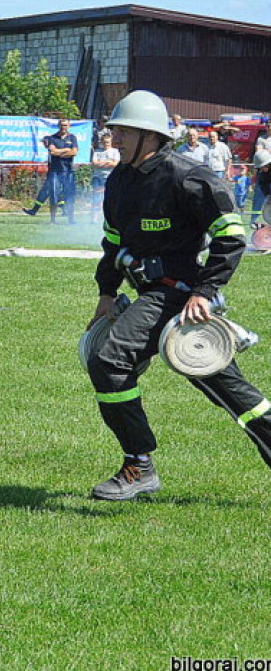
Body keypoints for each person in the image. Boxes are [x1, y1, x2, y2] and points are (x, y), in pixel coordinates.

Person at [85, 89, 271, 500]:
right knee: (223, 382)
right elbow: (113, 241)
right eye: (114, 130)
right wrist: (105, 294)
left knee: (109, 359)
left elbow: (232, 236)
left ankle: (139, 465)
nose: (114, 139)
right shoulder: (120, 179)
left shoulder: (189, 178)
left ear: (149, 136)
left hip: (179, 295)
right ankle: (139, 464)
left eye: (123, 131)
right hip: (149, 293)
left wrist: (206, 291)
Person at [24, 118, 78, 223]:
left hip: (68, 171)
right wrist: (67, 150)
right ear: (58, 126)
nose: (63, 127)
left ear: (69, 126)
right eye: (62, 125)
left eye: (65, 125)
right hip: (54, 171)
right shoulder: (52, 138)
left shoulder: (72, 138)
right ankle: (53, 220)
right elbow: (52, 152)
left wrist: (62, 151)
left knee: (69, 195)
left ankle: (71, 220)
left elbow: (74, 152)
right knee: (53, 195)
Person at [90, 132, 120, 223]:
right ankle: (94, 219)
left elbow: (115, 163)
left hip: (109, 178)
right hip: (97, 178)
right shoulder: (97, 151)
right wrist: (107, 163)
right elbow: (94, 163)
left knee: (109, 198)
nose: (106, 144)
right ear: (101, 142)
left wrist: (102, 163)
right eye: (104, 142)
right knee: (96, 198)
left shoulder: (115, 151)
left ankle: (108, 218)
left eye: (108, 142)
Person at [250, 151, 271, 226]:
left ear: (267, 164)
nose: (260, 169)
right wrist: (268, 196)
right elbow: (263, 187)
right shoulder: (262, 175)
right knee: (266, 213)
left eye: (261, 167)